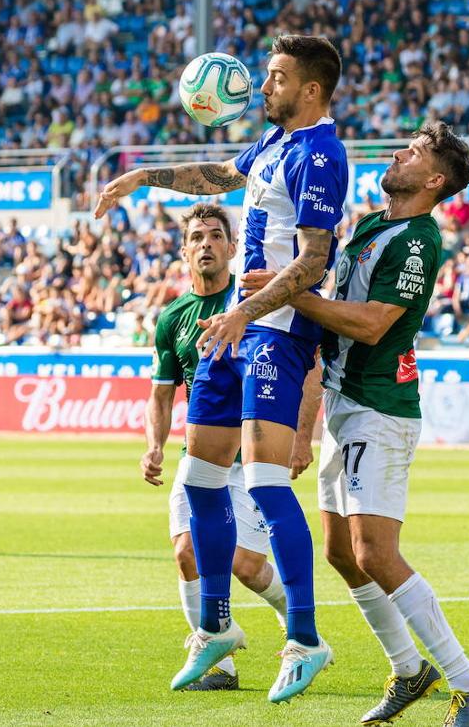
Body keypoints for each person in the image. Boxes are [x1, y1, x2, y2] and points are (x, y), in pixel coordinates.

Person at [93, 34, 343, 702]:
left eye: (277, 78)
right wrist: (143, 178)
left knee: (262, 486)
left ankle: (307, 639)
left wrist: (245, 311)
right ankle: (215, 631)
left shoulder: (322, 154)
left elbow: (315, 260)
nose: (264, 87)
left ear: (311, 90)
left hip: (277, 335)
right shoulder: (270, 147)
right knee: (199, 480)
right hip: (235, 329)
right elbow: (218, 177)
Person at [241, 122, 469, 727]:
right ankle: (409, 670)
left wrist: (287, 294)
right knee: (341, 552)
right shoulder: (371, 227)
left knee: (375, 552)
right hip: (344, 403)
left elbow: (374, 323)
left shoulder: (415, 239)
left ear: (434, 180)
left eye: (411, 152)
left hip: (380, 408)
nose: (397, 152)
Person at [142, 203, 294, 691]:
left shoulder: (251, 302)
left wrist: (299, 434)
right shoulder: (173, 317)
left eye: (214, 236)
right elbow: (161, 393)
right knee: (186, 552)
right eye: (196, 237)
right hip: (198, 461)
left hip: (247, 462)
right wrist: (155, 447)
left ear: (232, 248)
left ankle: (295, 619)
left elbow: (299, 365)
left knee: (243, 566)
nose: (205, 243)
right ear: (184, 251)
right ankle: (218, 661)